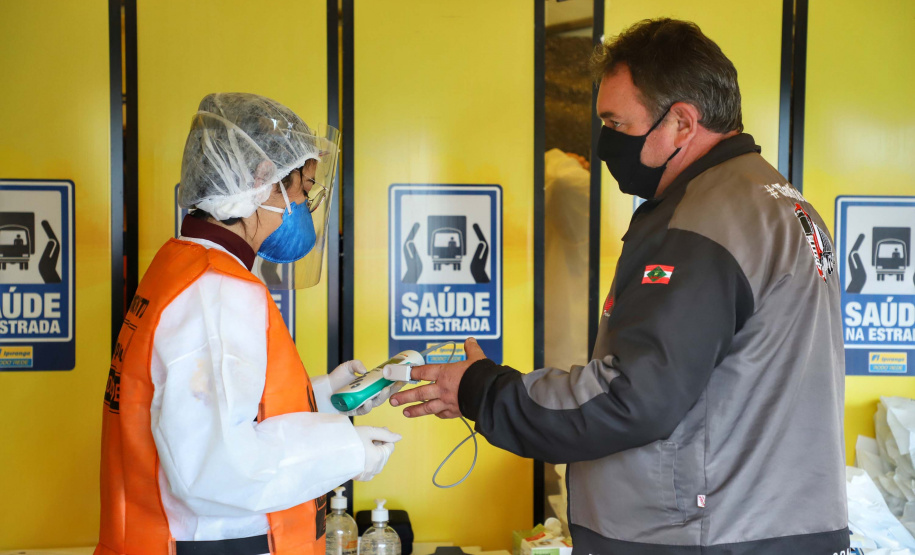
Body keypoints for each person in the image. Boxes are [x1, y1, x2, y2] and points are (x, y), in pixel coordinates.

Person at [390, 19, 848, 554]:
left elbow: (633, 397)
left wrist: (481, 390)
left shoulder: (706, 221)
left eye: (617, 122)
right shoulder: (780, 201)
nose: (606, 141)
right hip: (771, 525)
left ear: (681, 122)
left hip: (704, 536)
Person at [96, 93, 401, 555]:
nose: (306, 207)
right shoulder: (217, 291)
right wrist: (347, 451)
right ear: (263, 180)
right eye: (303, 189)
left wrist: (321, 397)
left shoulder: (181, 266)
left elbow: (208, 409)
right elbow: (214, 466)